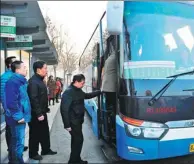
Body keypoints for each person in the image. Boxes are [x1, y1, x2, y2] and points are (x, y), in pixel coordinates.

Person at [60, 74, 101, 164]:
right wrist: (67, 125)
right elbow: (64, 109)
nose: (83, 85)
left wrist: (98, 92)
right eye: (82, 83)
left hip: (78, 120)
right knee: (78, 140)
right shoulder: (68, 92)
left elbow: (86, 95)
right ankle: (74, 161)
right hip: (73, 122)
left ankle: (75, 159)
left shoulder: (78, 90)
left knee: (76, 141)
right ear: (76, 82)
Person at [0, 56, 28, 164]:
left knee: (14, 136)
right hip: (13, 112)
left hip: (13, 111)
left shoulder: (12, 77)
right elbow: (7, 96)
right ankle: (14, 158)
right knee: (13, 135)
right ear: (11, 66)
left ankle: (13, 156)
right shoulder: (9, 78)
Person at [27, 61, 57, 160]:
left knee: (44, 132)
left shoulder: (40, 80)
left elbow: (42, 97)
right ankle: (33, 153)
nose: (46, 70)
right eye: (45, 68)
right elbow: (33, 98)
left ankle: (46, 149)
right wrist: (39, 113)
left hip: (42, 112)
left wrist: (46, 108)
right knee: (35, 134)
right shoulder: (33, 82)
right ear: (38, 70)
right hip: (36, 114)